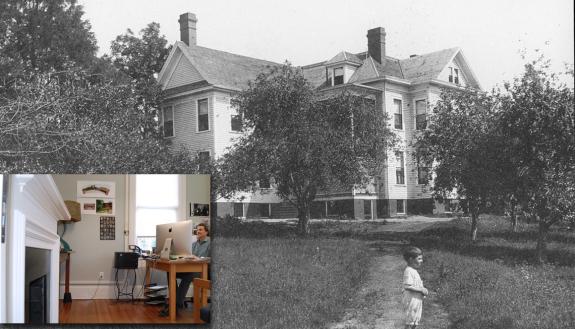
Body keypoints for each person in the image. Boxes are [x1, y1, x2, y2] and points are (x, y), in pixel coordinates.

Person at [160, 223, 210, 317]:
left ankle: (175, 305)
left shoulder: (211, 243)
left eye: (200, 229)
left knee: (188, 276)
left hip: (203, 271)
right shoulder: (193, 244)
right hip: (191, 269)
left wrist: (199, 259)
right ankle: (177, 301)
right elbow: (189, 256)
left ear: (206, 232)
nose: (198, 231)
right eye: (197, 230)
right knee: (170, 272)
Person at [402, 246, 428, 329]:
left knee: (414, 322)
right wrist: (421, 290)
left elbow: (416, 284)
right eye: (419, 259)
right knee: (410, 323)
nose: (421, 261)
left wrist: (423, 290)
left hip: (416, 301)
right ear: (411, 259)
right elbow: (407, 286)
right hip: (411, 301)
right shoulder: (408, 270)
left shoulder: (414, 271)